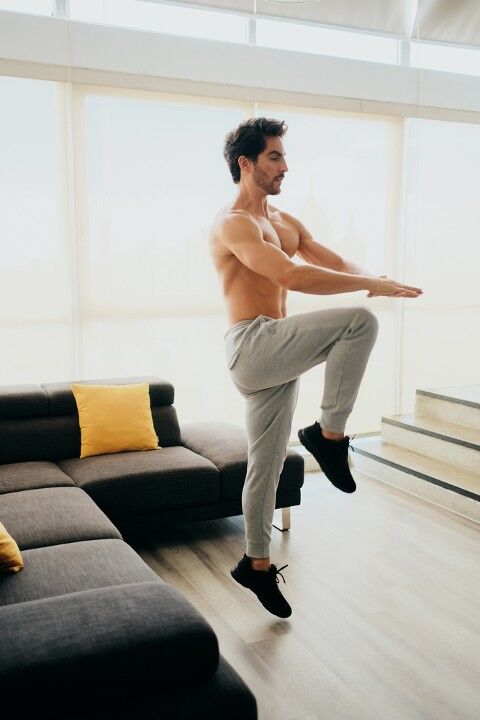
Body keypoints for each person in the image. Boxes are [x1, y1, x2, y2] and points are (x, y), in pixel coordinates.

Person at [208, 117, 423, 618]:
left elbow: (330, 259)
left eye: (284, 155)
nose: (285, 165)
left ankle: (255, 565)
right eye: (274, 157)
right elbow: (290, 273)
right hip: (253, 344)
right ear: (246, 163)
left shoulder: (285, 221)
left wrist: (373, 276)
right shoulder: (233, 223)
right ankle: (328, 436)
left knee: (265, 467)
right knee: (359, 323)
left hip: (275, 353)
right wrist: (369, 291)